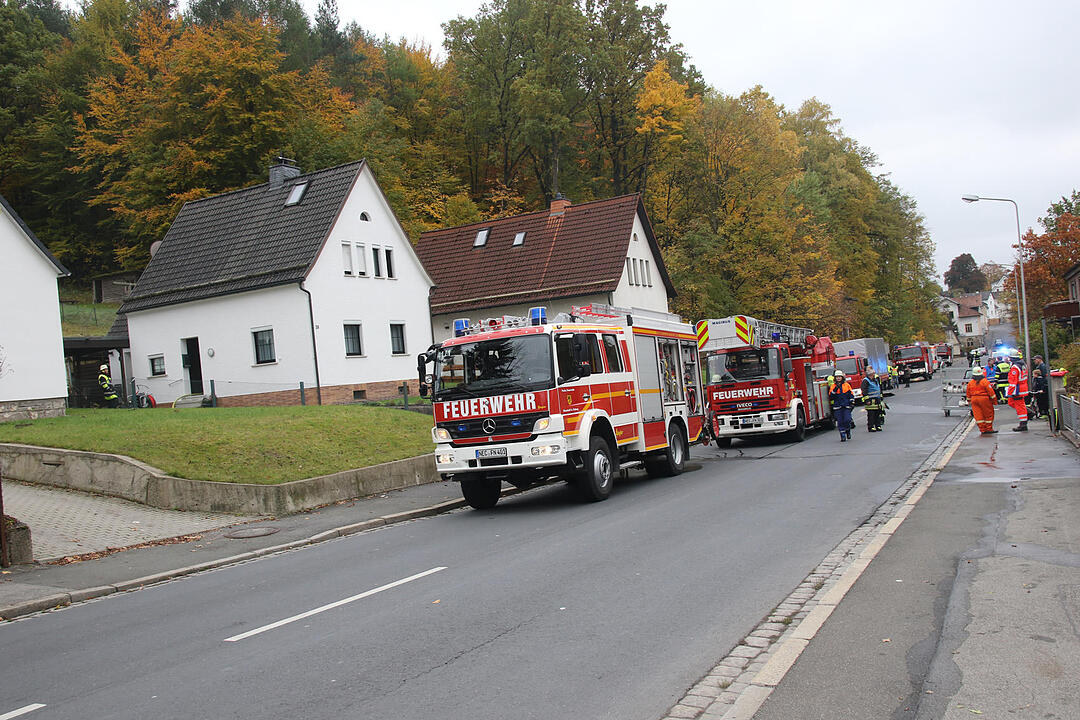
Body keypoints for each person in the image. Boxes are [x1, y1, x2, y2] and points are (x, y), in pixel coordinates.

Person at [966, 365, 997, 434]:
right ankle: (989, 429)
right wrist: (994, 401)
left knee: (978, 415)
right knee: (988, 414)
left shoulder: (970, 383)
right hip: (984, 399)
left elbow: (968, 393)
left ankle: (982, 429)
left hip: (974, 399)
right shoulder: (985, 381)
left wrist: (969, 401)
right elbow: (991, 392)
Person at [1005, 350, 1029, 431]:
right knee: (1012, 403)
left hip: (1017, 390)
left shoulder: (1015, 367)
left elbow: (1013, 382)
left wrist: (1010, 392)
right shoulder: (1023, 365)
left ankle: (1023, 424)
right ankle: (1027, 413)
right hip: (1022, 387)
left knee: (1020, 406)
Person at [829, 371, 855, 441]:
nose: (838, 378)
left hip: (846, 405)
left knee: (847, 419)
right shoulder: (833, 386)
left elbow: (851, 394)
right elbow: (831, 396)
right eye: (837, 377)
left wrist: (852, 401)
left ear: (842, 377)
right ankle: (842, 435)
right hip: (837, 406)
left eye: (839, 377)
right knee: (840, 421)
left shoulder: (847, 385)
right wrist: (835, 389)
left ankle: (848, 430)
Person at [861, 367, 885, 431]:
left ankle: (878, 425)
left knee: (877, 413)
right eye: (873, 374)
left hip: (877, 399)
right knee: (871, 415)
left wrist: (881, 396)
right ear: (870, 374)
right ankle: (871, 426)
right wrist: (867, 400)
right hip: (870, 400)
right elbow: (864, 391)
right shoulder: (865, 381)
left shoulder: (875, 380)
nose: (874, 375)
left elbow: (878, 388)